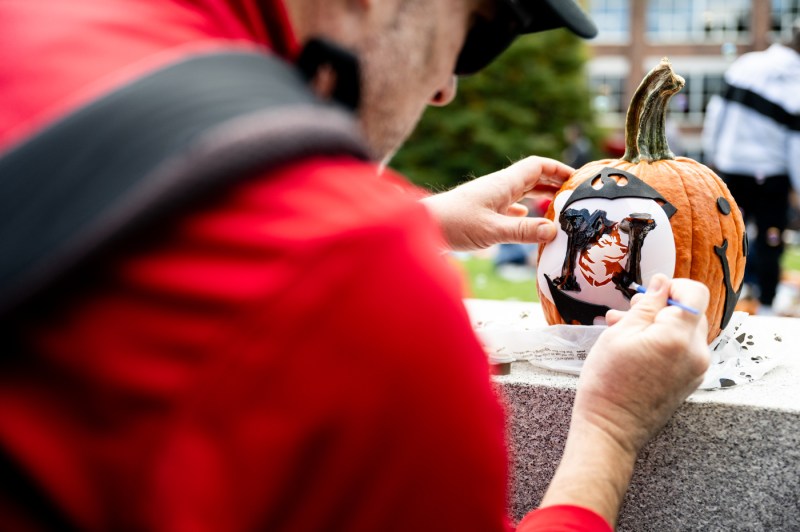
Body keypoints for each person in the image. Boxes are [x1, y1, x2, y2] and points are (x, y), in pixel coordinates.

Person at [0, 1, 711, 530]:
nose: (446, 90)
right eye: (476, 35)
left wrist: (411, 216)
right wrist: (611, 435)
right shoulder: (353, 283)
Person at [703, 20, 800, 313]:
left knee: (726, 239)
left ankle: (723, 303)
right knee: (770, 243)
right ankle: (767, 306)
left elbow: (715, 114)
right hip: (772, 175)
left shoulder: (746, 65)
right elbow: (796, 146)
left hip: (730, 169)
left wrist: (712, 158)